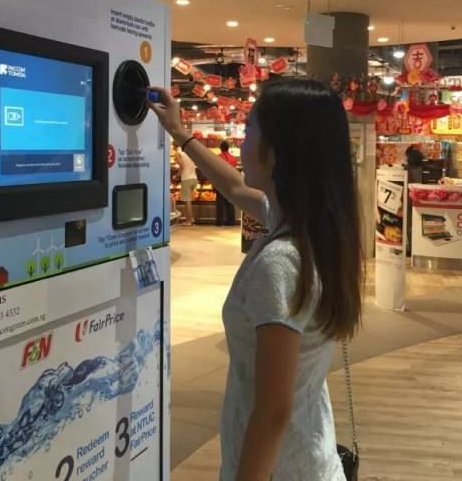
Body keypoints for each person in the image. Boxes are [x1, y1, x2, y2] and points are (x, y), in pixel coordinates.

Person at [149, 79, 363, 481]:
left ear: (276, 151)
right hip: (309, 455)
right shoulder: (316, 229)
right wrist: (180, 133)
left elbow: (272, 412)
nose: (242, 145)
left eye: (249, 131)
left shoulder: (280, 264)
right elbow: (233, 186)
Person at [216, 141, 238, 226]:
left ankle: (219, 221)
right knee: (230, 201)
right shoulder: (233, 158)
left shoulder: (218, 157)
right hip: (231, 182)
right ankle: (231, 221)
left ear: (220, 148)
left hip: (220, 181)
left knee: (220, 202)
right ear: (228, 148)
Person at [175, 145, 198, 225]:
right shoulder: (189, 152)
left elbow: (182, 165)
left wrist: (177, 175)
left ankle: (189, 221)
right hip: (194, 178)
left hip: (186, 178)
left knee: (187, 201)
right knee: (189, 200)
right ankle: (191, 218)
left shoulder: (178, 153)